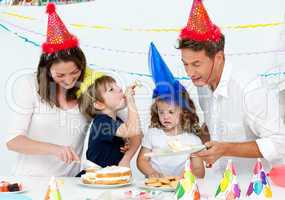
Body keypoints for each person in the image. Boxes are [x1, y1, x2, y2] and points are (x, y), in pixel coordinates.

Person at [176, 0, 285, 174]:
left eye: (196, 64)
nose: (190, 72)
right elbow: (219, 124)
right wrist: (194, 136)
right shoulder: (202, 84)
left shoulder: (250, 89)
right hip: (219, 184)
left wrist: (225, 149)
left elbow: (280, 144)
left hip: (253, 188)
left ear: (218, 58)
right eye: (185, 64)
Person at [6, 3, 101, 176]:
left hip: (70, 185)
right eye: (60, 75)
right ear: (47, 71)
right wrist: (54, 149)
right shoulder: (29, 85)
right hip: (29, 183)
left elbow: (124, 123)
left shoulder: (90, 88)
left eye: (75, 72)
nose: (69, 80)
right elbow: (13, 141)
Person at [137, 43, 205, 178]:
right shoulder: (153, 134)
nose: (165, 117)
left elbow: (199, 171)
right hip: (156, 187)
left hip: (181, 189)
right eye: (161, 112)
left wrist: (186, 177)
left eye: (171, 112)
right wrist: (151, 173)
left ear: (183, 112)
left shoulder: (193, 140)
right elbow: (141, 160)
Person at [77, 74, 141, 170]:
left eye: (117, 86)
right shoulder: (101, 122)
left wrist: (126, 158)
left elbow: (138, 134)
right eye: (111, 89)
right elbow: (133, 130)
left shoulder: (117, 121)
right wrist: (130, 100)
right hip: (94, 177)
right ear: (99, 104)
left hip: (110, 176)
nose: (120, 89)